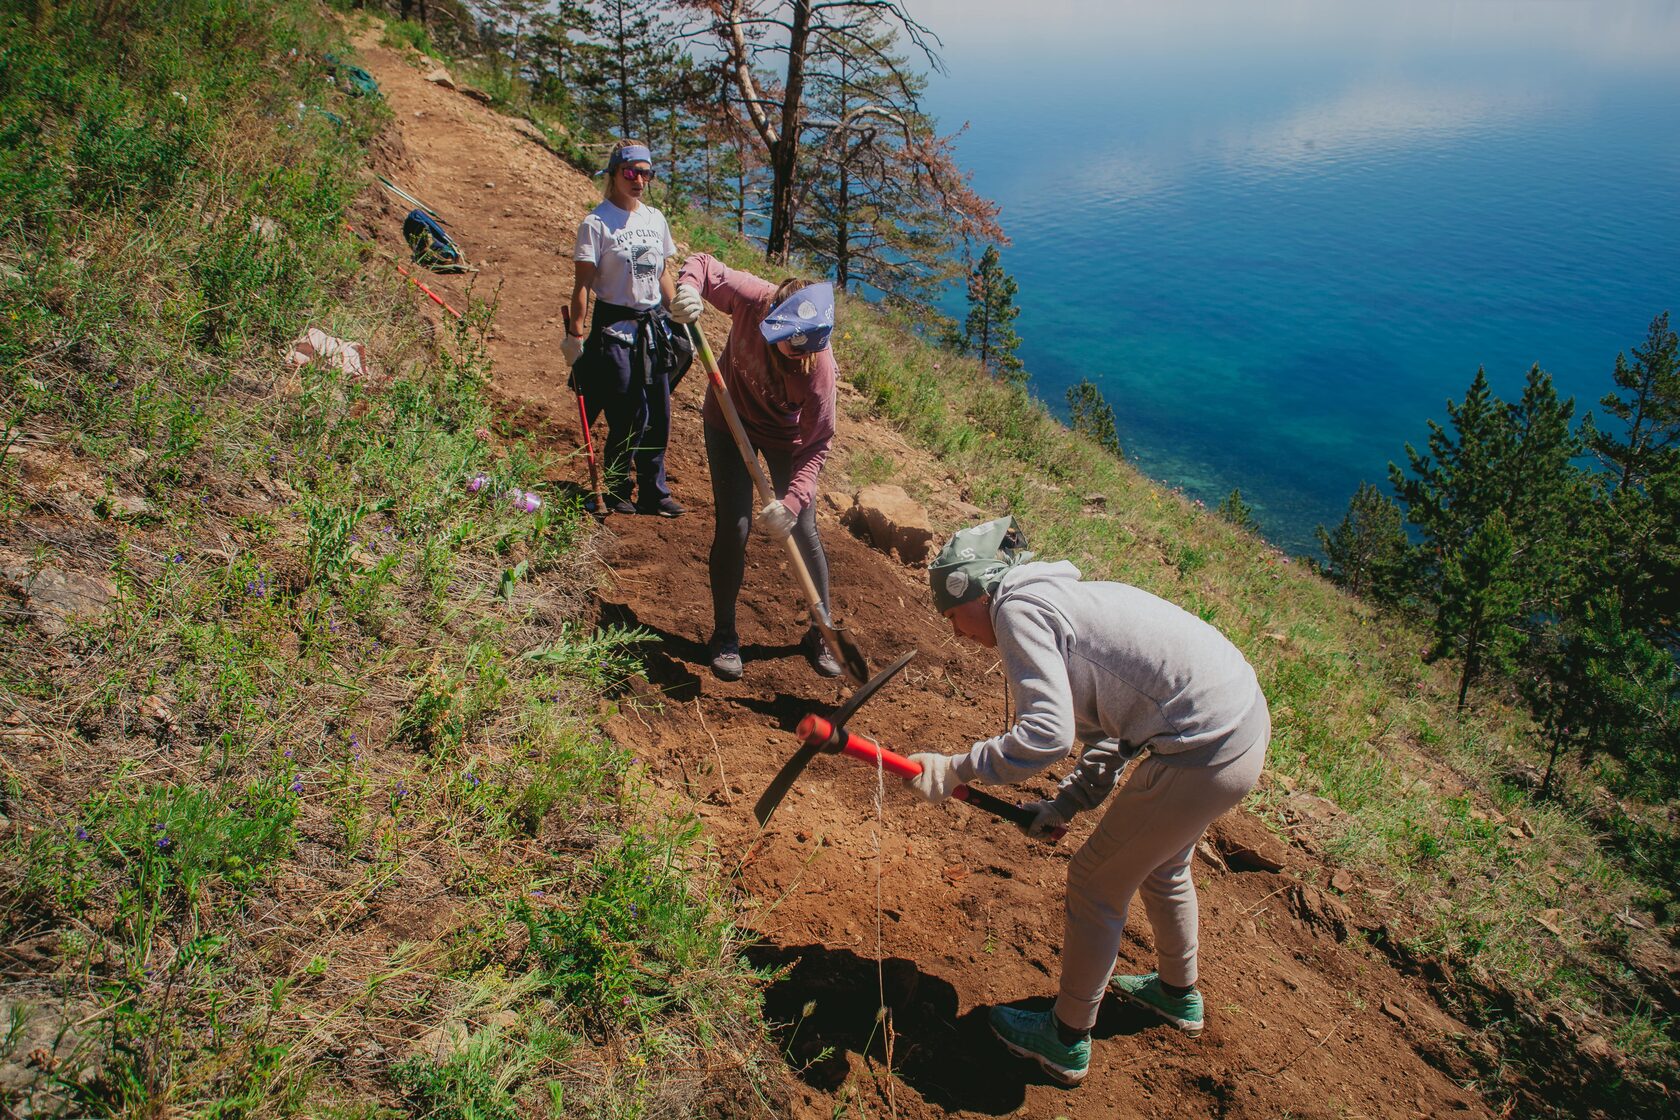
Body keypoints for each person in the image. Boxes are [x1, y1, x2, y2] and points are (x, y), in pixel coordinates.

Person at [905, 516, 1270, 1086]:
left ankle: (1065, 1038)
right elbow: (1111, 735)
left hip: (1203, 748)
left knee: (1096, 881)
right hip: (1240, 725)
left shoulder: (1016, 612)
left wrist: (953, 768)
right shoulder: (1059, 603)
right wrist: (1063, 806)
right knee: (1162, 864)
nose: (955, 632)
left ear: (974, 591)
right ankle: (1177, 993)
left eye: (951, 615)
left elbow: (1046, 736)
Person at [665, 254, 841, 681]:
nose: (799, 357)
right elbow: (704, 265)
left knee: (802, 529)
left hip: (787, 441)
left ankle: (822, 630)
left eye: (808, 348)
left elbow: (817, 445)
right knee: (735, 527)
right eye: (791, 342)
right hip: (728, 420)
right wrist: (688, 289)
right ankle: (724, 632)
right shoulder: (752, 300)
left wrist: (793, 501)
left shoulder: (819, 370)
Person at [563, 140, 689, 516]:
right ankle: (618, 488)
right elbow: (583, 285)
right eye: (631, 172)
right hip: (615, 328)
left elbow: (662, 272)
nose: (639, 180)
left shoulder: (655, 219)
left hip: (653, 328)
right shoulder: (596, 223)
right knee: (628, 413)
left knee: (659, 412)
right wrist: (574, 335)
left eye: (646, 173)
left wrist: (677, 306)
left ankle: (654, 491)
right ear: (614, 174)